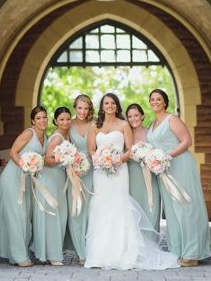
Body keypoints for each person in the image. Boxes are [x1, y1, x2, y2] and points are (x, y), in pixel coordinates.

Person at [83, 93, 177, 270]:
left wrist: (117, 160)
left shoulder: (124, 124)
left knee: (119, 206)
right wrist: (101, 160)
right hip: (101, 173)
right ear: (102, 106)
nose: (109, 106)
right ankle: (100, 254)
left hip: (120, 171)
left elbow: (130, 149)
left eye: (112, 103)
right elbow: (91, 149)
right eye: (106, 103)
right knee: (101, 208)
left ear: (117, 106)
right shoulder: (95, 125)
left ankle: (124, 252)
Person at [147, 89, 211, 266]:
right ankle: (177, 250)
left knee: (186, 207)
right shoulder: (153, 123)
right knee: (172, 211)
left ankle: (192, 253)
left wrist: (166, 156)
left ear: (165, 102)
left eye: (158, 99)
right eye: (152, 99)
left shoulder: (172, 119)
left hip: (180, 165)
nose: (155, 102)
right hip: (163, 171)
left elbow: (186, 141)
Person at [0, 106, 46, 267]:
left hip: (27, 181)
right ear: (33, 120)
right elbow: (12, 152)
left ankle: (20, 253)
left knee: (24, 217)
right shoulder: (28, 133)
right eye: (38, 118)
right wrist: (24, 165)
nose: (42, 120)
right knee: (15, 216)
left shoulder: (45, 137)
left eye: (44, 117)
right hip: (13, 177)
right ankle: (19, 257)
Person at [32, 107, 69, 265]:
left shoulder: (64, 134)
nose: (65, 122)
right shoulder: (56, 138)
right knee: (53, 215)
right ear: (55, 121)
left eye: (68, 119)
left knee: (59, 214)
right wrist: (66, 159)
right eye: (61, 119)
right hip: (50, 178)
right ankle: (53, 256)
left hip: (58, 178)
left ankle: (51, 251)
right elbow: (47, 160)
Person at [65, 94, 94, 264]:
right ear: (75, 107)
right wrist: (71, 164)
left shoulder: (95, 123)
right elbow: (65, 146)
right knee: (76, 209)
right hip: (74, 171)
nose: (82, 111)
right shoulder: (69, 125)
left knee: (91, 210)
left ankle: (92, 248)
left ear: (90, 109)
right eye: (79, 108)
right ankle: (80, 252)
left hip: (92, 170)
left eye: (86, 108)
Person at [126, 103, 161, 232]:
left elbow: (158, 150)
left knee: (151, 205)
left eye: (136, 115)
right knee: (135, 207)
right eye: (130, 116)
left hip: (151, 174)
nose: (133, 119)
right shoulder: (126, 133)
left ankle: (152, 238)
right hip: (133, 175)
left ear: (142, 116)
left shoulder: (150, 133)